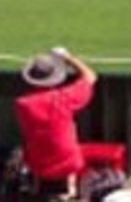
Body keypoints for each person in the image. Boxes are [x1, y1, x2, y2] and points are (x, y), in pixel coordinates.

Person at [14, 47, 98, 197]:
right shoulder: (62, 100)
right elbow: (90, 77)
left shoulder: (22, 104)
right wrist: (68, 57)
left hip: (38, 165)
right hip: (67, 163)